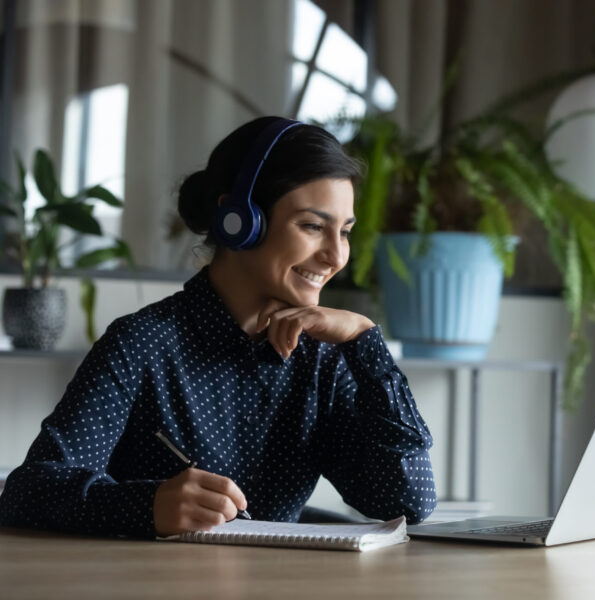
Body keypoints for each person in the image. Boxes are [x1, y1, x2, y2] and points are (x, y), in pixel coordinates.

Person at [0, 117, 437, 538]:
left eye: (344, 232)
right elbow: (27, 493)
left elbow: (409, 501)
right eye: (312, 226)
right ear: (240, 221)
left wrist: (365, 340)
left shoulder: (322, 359)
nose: (336, 256)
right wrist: (148, 505)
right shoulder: (142, 343)